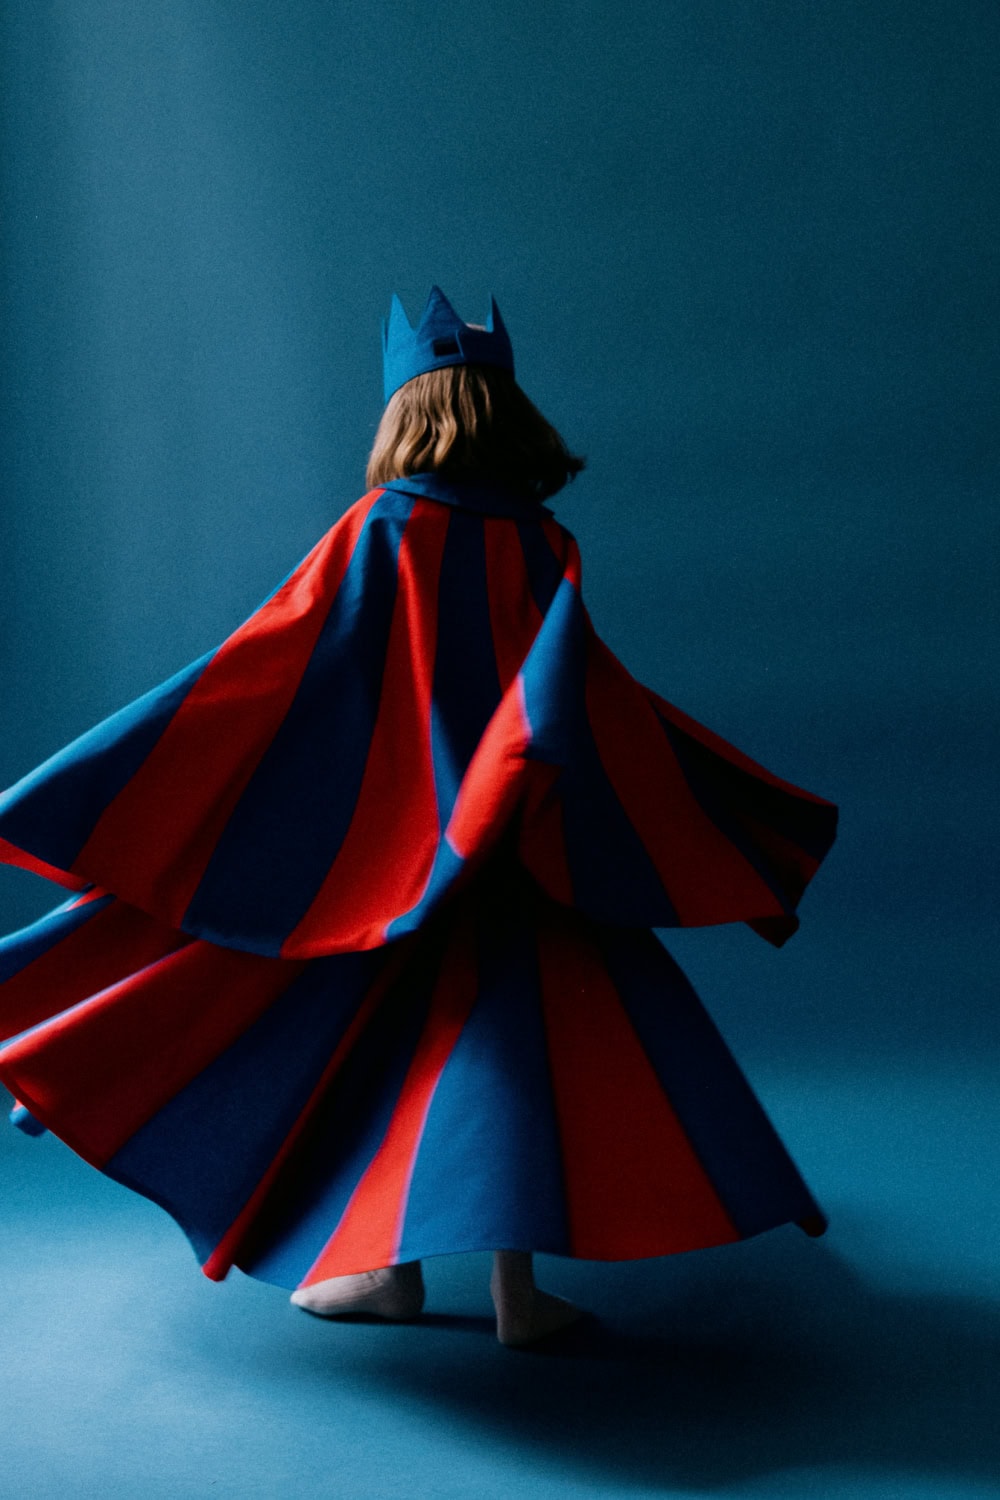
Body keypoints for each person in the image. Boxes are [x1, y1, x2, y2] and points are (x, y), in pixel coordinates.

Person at [0, 288, 837, 1347]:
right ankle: (516, 1297)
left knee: (384, 1055)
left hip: (394, 857)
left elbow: (273, 668)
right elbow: (575, 689)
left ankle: (385, 1271)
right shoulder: (542, 544)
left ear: (405, 415)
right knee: (511, 1064)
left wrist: (114, 780)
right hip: (516, 851)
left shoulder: (380, 531)